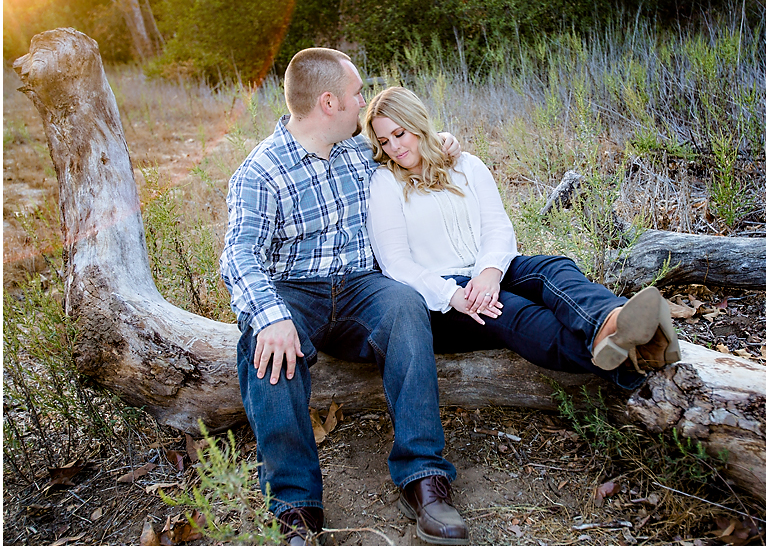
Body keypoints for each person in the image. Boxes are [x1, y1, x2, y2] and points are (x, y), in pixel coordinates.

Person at [220, 50, 470, 546]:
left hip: (361, 287)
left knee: (404, 306)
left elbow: (408, 152)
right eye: (357, 93)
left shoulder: (359, 151)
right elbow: (239, 256)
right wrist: (270, 316)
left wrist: (438, 142)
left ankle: (422, 477)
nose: (363, 102)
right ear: (329, 102)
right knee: (266, 348)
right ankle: (295, 506)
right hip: (295, 291)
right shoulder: (262, 171)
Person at [363, 86, 681, 391]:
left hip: (490, 268)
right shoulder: (385, 182)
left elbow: (497, 226)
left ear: (417, 124)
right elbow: (396, 263)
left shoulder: (465, 165)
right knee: (515, 311)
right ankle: (640, 356)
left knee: (552, 268)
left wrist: (489, 272)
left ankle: (608, 321)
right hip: (440, 296)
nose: (394, 147)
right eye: (384, 140)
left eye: (399, 134)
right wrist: (452, 294)